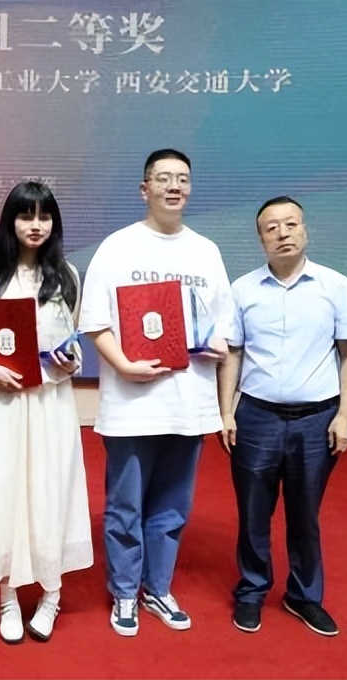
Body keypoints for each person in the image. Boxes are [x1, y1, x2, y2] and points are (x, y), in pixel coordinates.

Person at [78, 149, 234, 637]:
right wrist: (124, 365)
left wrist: (216, 343)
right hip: (132, 404)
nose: (174, 186)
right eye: (164, 178)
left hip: (189, 403)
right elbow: (95, 321)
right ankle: (125, 592)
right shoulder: (117, 247)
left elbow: (223, 323)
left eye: (182, 179)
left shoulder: (206, 251)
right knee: (125, 506)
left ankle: (158, 588)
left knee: (172, 507)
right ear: (144, 189)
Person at [0, 181, 93, 644]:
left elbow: (74, 341)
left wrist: (72, 361)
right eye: (25, 215)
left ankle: (51, 595)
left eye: (44, 216)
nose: (36, 225)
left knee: (51, 492)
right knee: (5, 492)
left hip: (51, 404)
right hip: (4, 403)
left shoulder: (68, 275)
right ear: (10, 221)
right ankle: (8, 597)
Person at [217, 196, 347, 637]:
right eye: (272, 227)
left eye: (291, 224)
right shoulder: (243, 290)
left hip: (317, 420)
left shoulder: (336, 285)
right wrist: (226, 412)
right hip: (256, 416)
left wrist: (345, 416)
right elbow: (233, 354)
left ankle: (303, 596)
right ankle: (251, 591)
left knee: (305, 514)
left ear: (305, 230)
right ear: (260, 238)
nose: (283, 233)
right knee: (253, 512)